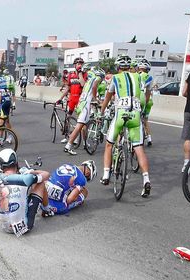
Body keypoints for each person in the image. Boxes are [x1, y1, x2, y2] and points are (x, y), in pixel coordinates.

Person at [99, 54, 152, 198]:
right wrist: (144, 106)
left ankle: (105, 175)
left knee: (109, 144)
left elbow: (108, 97)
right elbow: (147, 92)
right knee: (139, 148)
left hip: (120, 114)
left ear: (118, 67)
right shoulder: (139, 76)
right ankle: (146, 180)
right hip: (135, 113)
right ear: (130, 67)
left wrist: (101, 112)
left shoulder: (115, 78)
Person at [0, 149, 50, 235]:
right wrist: (30, 172)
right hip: (23, 227)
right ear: (16, 162)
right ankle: (47, 210)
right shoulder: (25, 179)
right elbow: (47, 174)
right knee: (40, 183)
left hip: (4, 227)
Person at [63, 67, 105, 155]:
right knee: (79, 126)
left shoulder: (88, 81)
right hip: (85, 105)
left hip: (81, 103)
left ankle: (85, 143)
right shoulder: (97, 78)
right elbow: (94, 87)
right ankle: (69, 145)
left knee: (84, 126)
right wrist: (95, 99)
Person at [0, 64, 15, 131]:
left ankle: (0, 140)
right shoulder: (2, 77)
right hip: (7, 99)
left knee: (0, 123)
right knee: (6, 120)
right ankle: (10, 136)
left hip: (2, 101)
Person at [137, 60, 154, 146]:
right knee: (145, 120)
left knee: (136, 119)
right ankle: (149, 138)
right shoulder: (150, 77)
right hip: (149, 101)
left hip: (139, 99)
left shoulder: (136, 76)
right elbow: (149, 92)